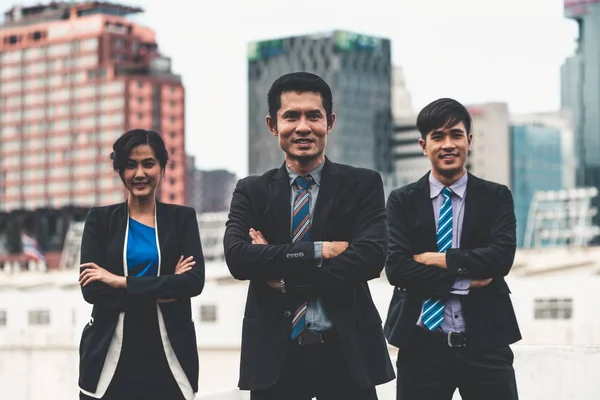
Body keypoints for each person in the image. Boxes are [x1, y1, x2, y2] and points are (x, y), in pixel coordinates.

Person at [223, 72, 394, 400]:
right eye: (291, 116)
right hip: (275, 358)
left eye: (313, 115)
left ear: (329, 122)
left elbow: (370, 258)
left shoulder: (362, 184)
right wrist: (319, 250)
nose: (303, 127)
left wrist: (283, 276)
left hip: (347, 355)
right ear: (273, 125)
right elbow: (239, 259)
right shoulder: (252, 191)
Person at [384, 98, 521, 400]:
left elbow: (499, 260)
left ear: (468, 141)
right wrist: (464, 280)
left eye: (456, 135)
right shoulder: (401, 201)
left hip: (486, 342)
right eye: (438, 137)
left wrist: (440, 259)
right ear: (423, 145)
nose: (448, 144)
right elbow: (397, 268)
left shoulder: (496, 197)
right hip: (421, 345)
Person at [77, 129, 205, 400]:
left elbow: (193, 282)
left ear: (162, 167)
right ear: (120, 170)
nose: (139, 173)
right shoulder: (100, 221)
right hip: (108, 357)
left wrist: (121, 281)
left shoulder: (181, 219)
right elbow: (93, 290)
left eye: (148, 163)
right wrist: (165, 288)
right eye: (130, 165)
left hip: (168, 356)